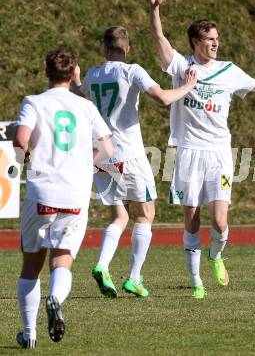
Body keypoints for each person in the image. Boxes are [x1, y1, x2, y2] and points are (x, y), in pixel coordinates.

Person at [150, 0, 255, 299]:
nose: (215, 44)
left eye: (217, 39)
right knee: (191, 222)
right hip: (189, 152)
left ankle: (216, 255)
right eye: (209, 39)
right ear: (195, 42)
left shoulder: (229, 71)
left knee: (219, 222)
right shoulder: (182, 68)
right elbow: (159, 39)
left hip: (219, 153)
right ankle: (196, 282)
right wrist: (155, 9)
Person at [72, 26, 197, 299]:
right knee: (145, 215)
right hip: (129, 154)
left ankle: (103, 265)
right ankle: (134, 278)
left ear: (104, 49)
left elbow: (82, 94)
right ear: (126, 49)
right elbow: (163, 98)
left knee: (120, 215)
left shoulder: (94, 74)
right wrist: (188, 86)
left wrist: (77, 79)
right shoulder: (132, 71)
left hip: (101, 156)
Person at [14, 46, 113, 349]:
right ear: (73, 74)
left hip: (42, 191)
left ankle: (29, 334)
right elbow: (107, 148)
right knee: (62, 261)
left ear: (46, 72)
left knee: (32, 265)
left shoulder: (34, 102)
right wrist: (87, 161)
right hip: (75, 193)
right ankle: (55, 299)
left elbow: (20, 139)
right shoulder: (85, 107)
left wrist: (25, 156)